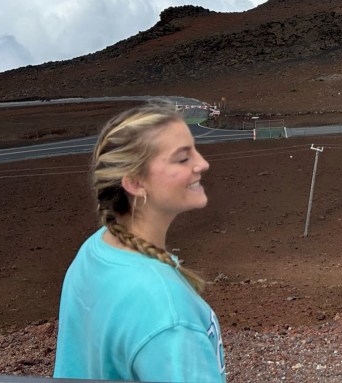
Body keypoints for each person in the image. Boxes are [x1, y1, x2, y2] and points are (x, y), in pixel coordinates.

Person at [54, 102, 226, 382]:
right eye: (183, 158)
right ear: (135, 183)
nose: (203, 164)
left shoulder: (97, 250)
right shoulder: (170, 319)